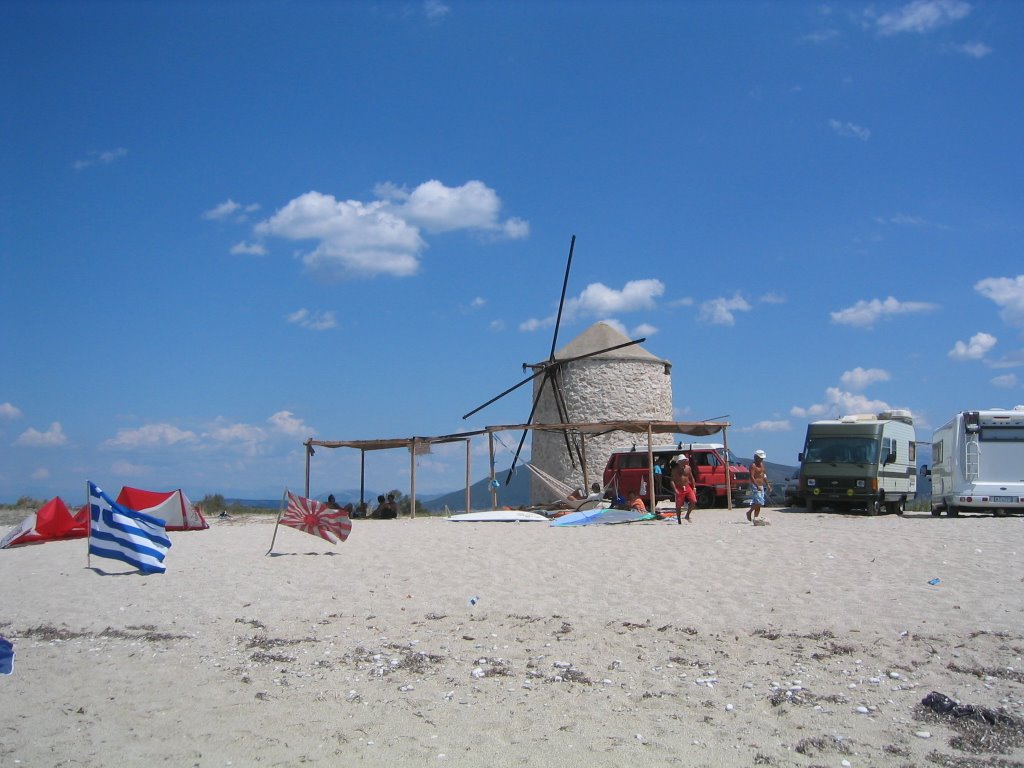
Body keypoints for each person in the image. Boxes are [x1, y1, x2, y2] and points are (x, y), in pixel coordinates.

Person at [747, 449, 772, 523]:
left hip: (761, 485)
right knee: (759, 502)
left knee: (759, 503)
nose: (761, 459)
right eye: (760, 458)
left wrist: (768, 484)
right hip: (755, 485)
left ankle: (756, 518)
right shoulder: (753, 465)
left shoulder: (762, 465)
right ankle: (749, 512)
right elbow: (751, 476)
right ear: (756, 457)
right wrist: (756, 485)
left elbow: (764, 475)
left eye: (762, 458)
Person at [671, 455, 697, 525]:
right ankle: (679, 520)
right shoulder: (675, 470)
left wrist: (694, 487)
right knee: (678, 505)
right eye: (684, 460)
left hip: (687, 486)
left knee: (693, 501)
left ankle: (687, 515)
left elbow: (691, 478)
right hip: (679, 487)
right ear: (680, 462)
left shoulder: (688, 468)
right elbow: (672, 481)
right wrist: (675, 490)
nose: (686, 461)